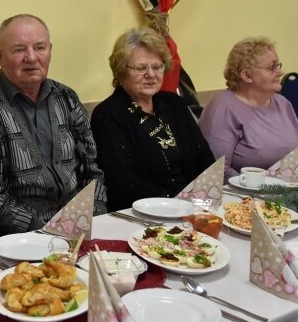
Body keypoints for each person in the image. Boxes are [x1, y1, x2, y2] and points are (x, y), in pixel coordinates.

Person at [0, 14, 107, 239]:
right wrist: (50, 234)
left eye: (40, 47)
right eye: (19, 50)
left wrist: (94, 219)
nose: (32, 58)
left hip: (80, 230)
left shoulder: (67, 97)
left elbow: (92, 169)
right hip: (16, 243)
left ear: (50, 50)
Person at [90, 28, 215, 211]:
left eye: (157, 67)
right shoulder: (108, 115)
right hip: (143, 214)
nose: (151, 74)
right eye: (141, 68)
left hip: (193, 208)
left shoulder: (174, 104)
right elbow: (122, 183)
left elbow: (204, 158)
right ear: (121, 71)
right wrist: (176, 203)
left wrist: (202, 198)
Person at [198, 37, 298, 179]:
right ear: (247, 75)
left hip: (290, 189)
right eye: (272, 68)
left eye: (278, 66)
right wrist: (262, 188)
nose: (280, 72)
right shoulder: (223, 109)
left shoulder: (283, 104)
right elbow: (217, 171)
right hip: (244, 196)